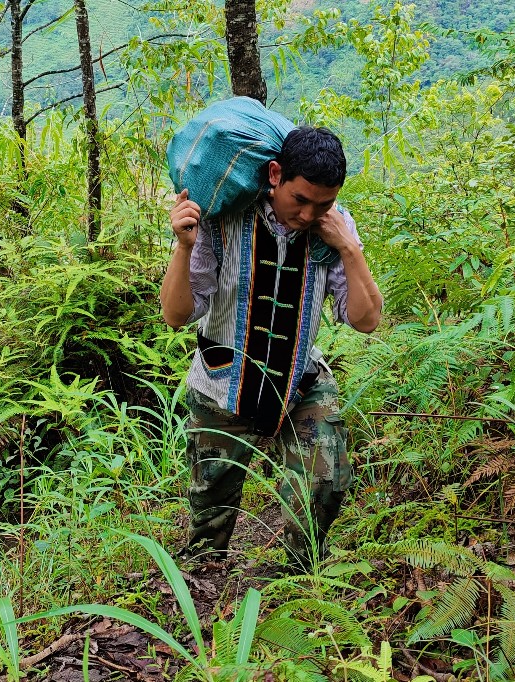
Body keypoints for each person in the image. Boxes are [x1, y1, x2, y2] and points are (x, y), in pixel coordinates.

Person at [160, 126, 383, 571]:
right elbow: (176, 315)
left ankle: (297, 578)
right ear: (276, 175)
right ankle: (206, 581)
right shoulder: (225, 216)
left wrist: (349, 249)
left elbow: (366, 320)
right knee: (211, 498)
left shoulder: (335, 227)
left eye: (323, 203)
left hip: (299, 379)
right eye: (300, 200)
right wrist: (184, 248)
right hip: (222, 383)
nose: (308, 214)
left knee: (327, 478)